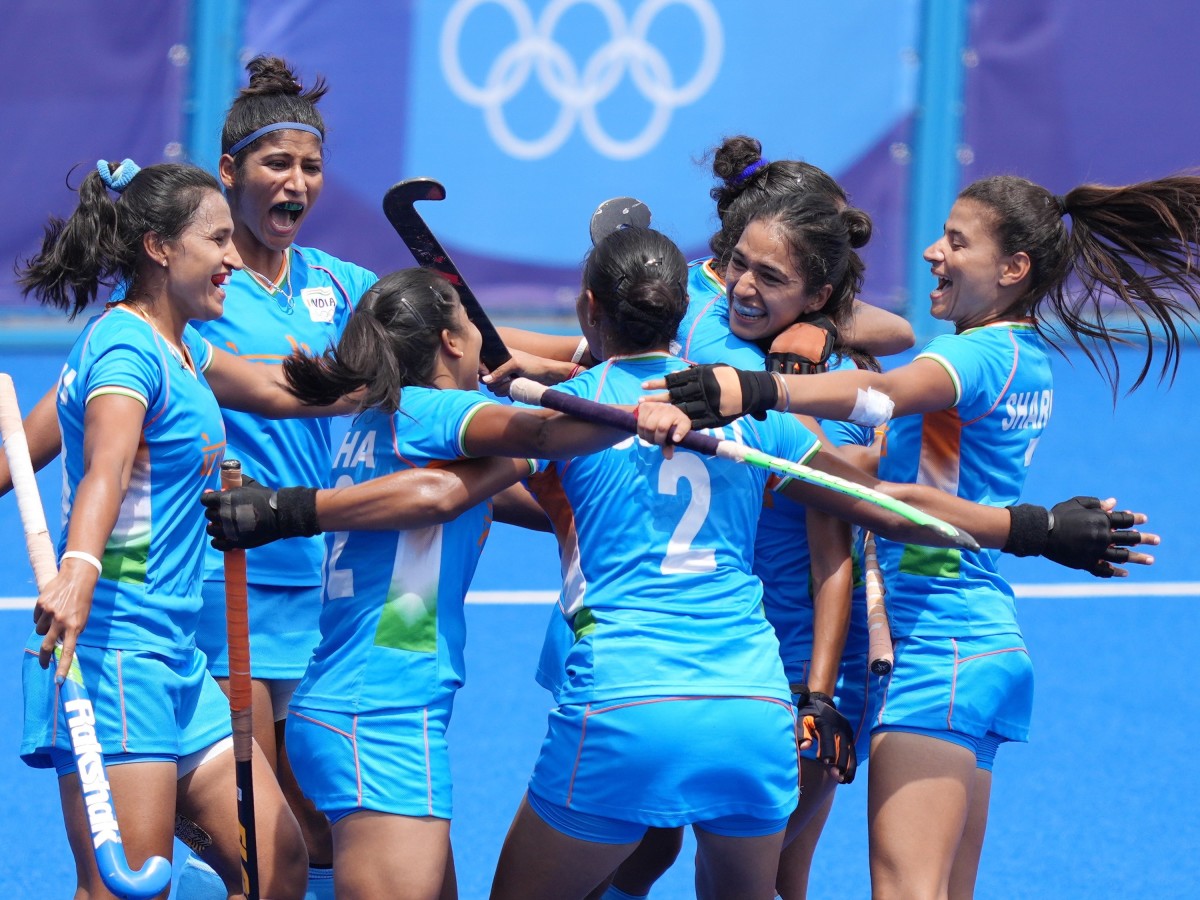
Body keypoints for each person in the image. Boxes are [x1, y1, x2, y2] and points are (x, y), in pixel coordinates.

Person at [486, 224, 1152, 900]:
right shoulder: (755, 410)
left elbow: (468, 486)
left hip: (625, 698)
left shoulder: (561, 424)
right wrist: (1035, 528)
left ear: (589, 307)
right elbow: (889, 507)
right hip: (755, 707)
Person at [651, 173, 1192, 897]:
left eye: (957, 241)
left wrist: (762, 391)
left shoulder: (973, 357)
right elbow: (887, 461)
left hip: (938, 646)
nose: (934, 252)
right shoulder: (1021, 359)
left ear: (1012, 269)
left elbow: (883, 399)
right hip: (979, 645)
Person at [200, 265, 693, 900]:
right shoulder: (436, 412)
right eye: (466, 321)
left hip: (371, 700)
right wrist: (641, 409)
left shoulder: (380, 419)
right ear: (453, 342)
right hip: (381, 709)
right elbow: (539, 434)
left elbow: (498, 496)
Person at [15, 160, 317, 899]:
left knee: (278, 866)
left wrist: (390, 378)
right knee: (121, 890)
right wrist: (79, 570)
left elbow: (278, 386)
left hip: (177, 657)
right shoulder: (126, 352)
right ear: (158, 248)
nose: (232, 259)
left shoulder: (183, 348)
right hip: (118, 655)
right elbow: (106, 472)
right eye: (216, 241)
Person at [175, 55, 381, 900]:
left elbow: (444, 338)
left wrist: (589, 353)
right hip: (235, 590)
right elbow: (265, 382)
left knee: (322, 827)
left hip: (329, 590)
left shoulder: (341, 282)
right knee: (258, 840)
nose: (296, 182)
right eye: (276, 164)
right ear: (230, 174)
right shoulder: (200, 291)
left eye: (311, 166)